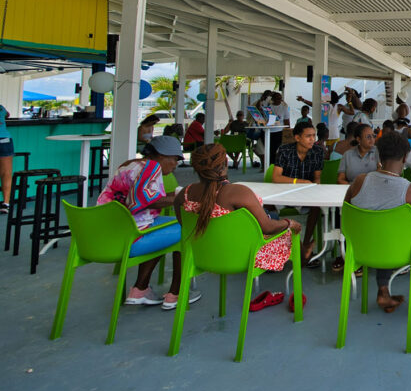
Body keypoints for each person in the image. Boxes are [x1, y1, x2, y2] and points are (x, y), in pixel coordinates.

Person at [97, 136, 200, 310]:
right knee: (187, 228)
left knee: (165, 229)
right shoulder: (152, 168)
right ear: (161, 155)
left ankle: (140, 289)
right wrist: (180, 199)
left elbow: (138, 196)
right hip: (131, 238)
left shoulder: (130, 164)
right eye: (174, 159)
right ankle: (177, 293)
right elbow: (146, 201)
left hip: (109, 233)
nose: (175, 165)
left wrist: (171, 196)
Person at [345, 131, 411, 315]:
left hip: (364, 249)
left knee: (380, 234)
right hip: (403, 253)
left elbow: (347, 213)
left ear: (379, 155)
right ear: (405, 157)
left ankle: (383, 292)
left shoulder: (359, 181)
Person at [175, 143, 300, 278]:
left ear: (196, 168)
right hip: (244, 258)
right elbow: (268, 228)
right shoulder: (238, 192)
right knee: (290, 232)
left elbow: (185, 226)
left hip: (203, 257)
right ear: (225, 164)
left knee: (273, 217)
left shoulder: (184, 194)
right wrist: (289, 223)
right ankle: (305, 257)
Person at [271, 122, 323, 262]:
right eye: (308, 136)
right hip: (283, 194)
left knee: (316, 208)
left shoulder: (317, 151)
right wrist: (298, 182)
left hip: (306, 195)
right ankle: (279, 248)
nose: (312, 139)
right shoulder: (284, 150)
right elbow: (276, 177)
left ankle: (305, 243)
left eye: (314, 136)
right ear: (297, 138)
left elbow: (317, 179)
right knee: (267, 207)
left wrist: (310, 189)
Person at [266, 92, 291, 162]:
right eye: (277, 98)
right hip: (269, 131)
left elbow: (287, 121)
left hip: (279, 131)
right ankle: (270, 165)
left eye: (280, 98)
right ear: (273, 99)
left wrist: (288, 132)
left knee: (278, 150)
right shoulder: (268, 108)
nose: (279, 100)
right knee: (270, 150)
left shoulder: (284, 108)